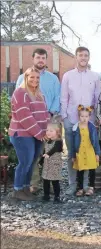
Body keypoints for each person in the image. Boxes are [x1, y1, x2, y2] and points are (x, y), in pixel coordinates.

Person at [16, 48, 61, 193]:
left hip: (51, 119)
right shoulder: (23, 77)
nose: (40, 60)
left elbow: (58, 97)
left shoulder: (53, 79)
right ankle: (34, 183)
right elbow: (19, 99)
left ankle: (52, 183)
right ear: (33, 59)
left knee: (51, 152)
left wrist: (50, 113)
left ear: (46, 60)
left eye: (43, 58)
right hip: (31, 122)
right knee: (34, 152)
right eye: (38, 58)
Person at [60, 46, 101, 195]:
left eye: (86, 55)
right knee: (73, 153)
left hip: (88, 122)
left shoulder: (94, 76)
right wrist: (64, 117)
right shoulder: (68, 76)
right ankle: (73, 185)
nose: (83, 58)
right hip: (71, 120)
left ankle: (86, 185)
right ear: (76, 57)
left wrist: (95, 117)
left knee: (88, 151)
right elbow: (64, 97)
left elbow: (97, 98)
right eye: (80, 55)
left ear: (88, 58)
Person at [8, 67, 49, 201]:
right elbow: (25, 116)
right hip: (22, 134)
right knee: (24, 162)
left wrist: (46, 131)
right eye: (31, 77)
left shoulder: (39, 94)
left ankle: (26, 188)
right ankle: (17, 189)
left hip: (37, 135)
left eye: (37, 77)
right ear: (25, 78)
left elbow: (44, 114)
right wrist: (39, 133)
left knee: (31, 163)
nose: (35, 80)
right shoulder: (20, 93)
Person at [72, 105, 101, 197]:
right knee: (80, 170)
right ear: (79, 116)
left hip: (90, 151)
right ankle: (80, 188)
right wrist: (73, 155)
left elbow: (95, 141)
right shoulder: (76, 128)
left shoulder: (92, 127)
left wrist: (97, 153)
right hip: (80, 152)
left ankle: (91, 187)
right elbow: (73, 143)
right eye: (82, 116)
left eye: (86, 116)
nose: (84, 118)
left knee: (92, 169)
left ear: (89, 117)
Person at [41, 116, 64, 203]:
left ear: (57, 132)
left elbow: (55, 149)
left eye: (51, 131)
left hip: (55, 165)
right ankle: (46, 195)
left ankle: (57, 196)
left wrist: (48, 154)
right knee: (45, 180)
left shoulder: (58, 141)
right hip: (47, 165)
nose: (48, 132)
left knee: (55, 181)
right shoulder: (47, 141)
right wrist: (41, 160)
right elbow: (45, 151)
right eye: (47, 130)